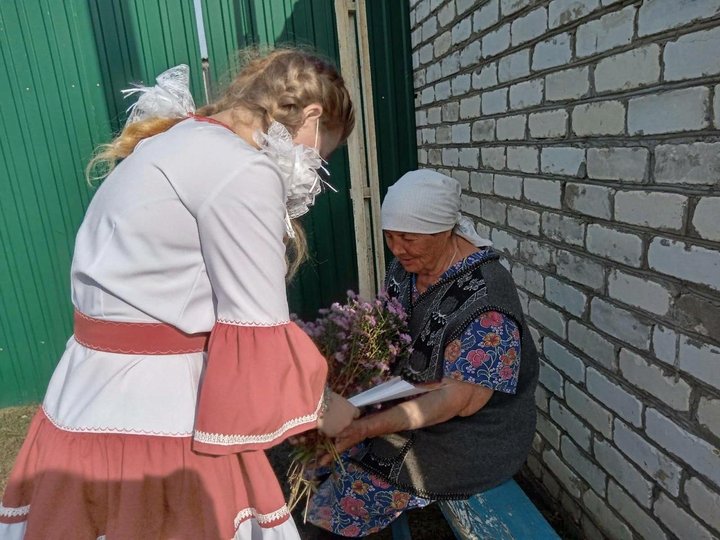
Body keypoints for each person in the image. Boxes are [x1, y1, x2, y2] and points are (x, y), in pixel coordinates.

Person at [0, 49, 359, 539]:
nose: (316, 167)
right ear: (313, 118)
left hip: (83, 394)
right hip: (161, 411)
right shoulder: (240, 168)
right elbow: (257, 328)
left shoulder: (173, 141)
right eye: (325, 152)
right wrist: (325, 407)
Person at [306, 170, 539, 537]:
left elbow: (460, 400)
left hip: (471, 434)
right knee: (319, 458)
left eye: (409, 238)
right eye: (391, 236)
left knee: (350, 490)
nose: (397, 248)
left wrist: (366, 424)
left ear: (445, 230)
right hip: (410, 399)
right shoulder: (406, 268)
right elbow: (390, 332)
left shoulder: (488, 300)